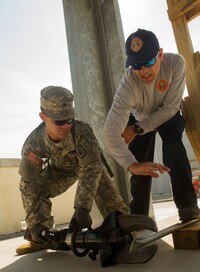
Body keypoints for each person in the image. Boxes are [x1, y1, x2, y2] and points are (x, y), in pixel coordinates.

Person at [16, 85, 129, 255]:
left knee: (98, 174)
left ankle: (121, 225)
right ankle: (41, 236)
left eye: (70, 119)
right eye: (60, 121)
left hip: (85, 167)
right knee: (31, 183)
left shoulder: (82, 131)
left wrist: (82, 208)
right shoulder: (33, 145)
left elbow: (91, 168)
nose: (66, 125)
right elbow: (28, 183)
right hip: (57, 174)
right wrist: (34, 223)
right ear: (43, 117)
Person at [103, 28, 200, 221]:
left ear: (161, 54)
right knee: (140, 162)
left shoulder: (176, 64)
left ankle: (187, 204)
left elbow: (171, 108)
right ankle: (138, 215)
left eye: (148, 62)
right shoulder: (127, 85)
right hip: (138, 116)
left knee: (174, 146)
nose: (144, 71)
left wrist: (138, 129)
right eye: (137, 66)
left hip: (167, 113)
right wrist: (131, 165)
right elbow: (110, 133)